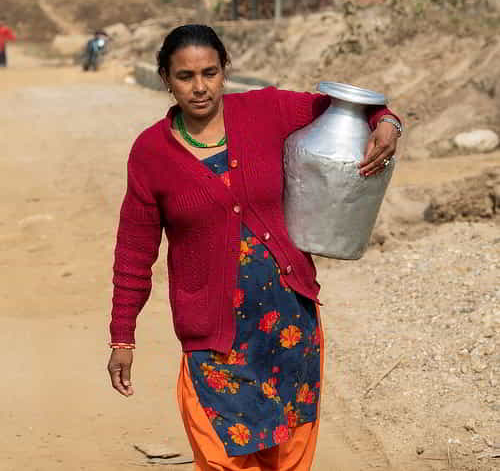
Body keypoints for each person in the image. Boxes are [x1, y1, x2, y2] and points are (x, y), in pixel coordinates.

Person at [107, 24, 402, 470]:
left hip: (287, 325)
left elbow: (349, 106)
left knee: (288, 457)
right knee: (221, 455)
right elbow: (134, 252)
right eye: (185, 76)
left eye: (210, 72)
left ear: (225, 70)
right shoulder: (151, 153)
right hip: (213, 337)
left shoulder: (265, 110)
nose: (200, 87)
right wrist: (122, 336)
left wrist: (388, 123)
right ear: (165, 78)